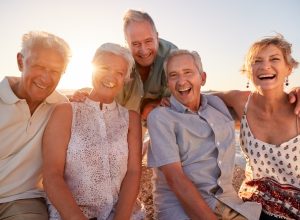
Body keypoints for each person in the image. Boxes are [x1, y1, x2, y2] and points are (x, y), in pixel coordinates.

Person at [147, 49, 262, 220]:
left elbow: (264, 109)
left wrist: (295, 92)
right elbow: (176, 181)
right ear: (167, 83)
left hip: (227, 200)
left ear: (203, 78)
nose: (181, 81)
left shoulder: (217, 104)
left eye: (188, 72)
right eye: (173, 75)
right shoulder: (161, 117)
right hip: (180, 208)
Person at [43, 43, 144, 220]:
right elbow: (52, 175)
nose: (111, 76)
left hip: (123, 214)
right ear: (92, 68)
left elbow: (134, 172)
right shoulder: (66, 112)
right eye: (104, 68)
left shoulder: (131, 119)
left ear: (125, 79)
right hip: (72, 214)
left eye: (119, 73)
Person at [215, 35, 300, 219]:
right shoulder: (241, 101)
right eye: (257, 61)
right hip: (251, 206)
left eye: (274, 59)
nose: (265, 66)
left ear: (289, 68)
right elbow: (199, 98)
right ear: (248, 70)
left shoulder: (298, 109)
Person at [0, 31, 71, 219]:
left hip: (23, 200)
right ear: (21, 62)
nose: (46, 78)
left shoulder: (61, 107)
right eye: (40, 66)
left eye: (55, 71)